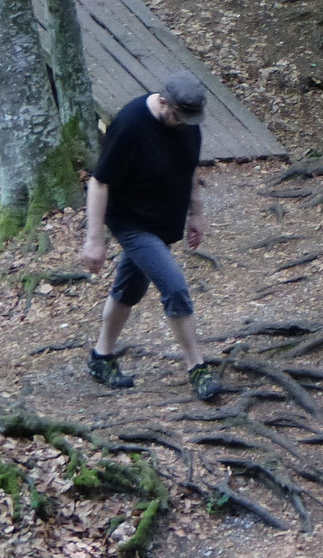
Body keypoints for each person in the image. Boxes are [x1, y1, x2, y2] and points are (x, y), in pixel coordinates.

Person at [79, 71, 226, 400]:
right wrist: (94, 239)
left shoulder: (187, 120)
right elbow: (99, 182)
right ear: (163, 102)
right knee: (175, 287)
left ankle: (100, 357)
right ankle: (197, 368)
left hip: (162, 221)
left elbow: (190, 168)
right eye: (179, 117)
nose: (185, 124)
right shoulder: (131, 125)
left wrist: (197, 213)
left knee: (129, 288)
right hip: (132, 221)